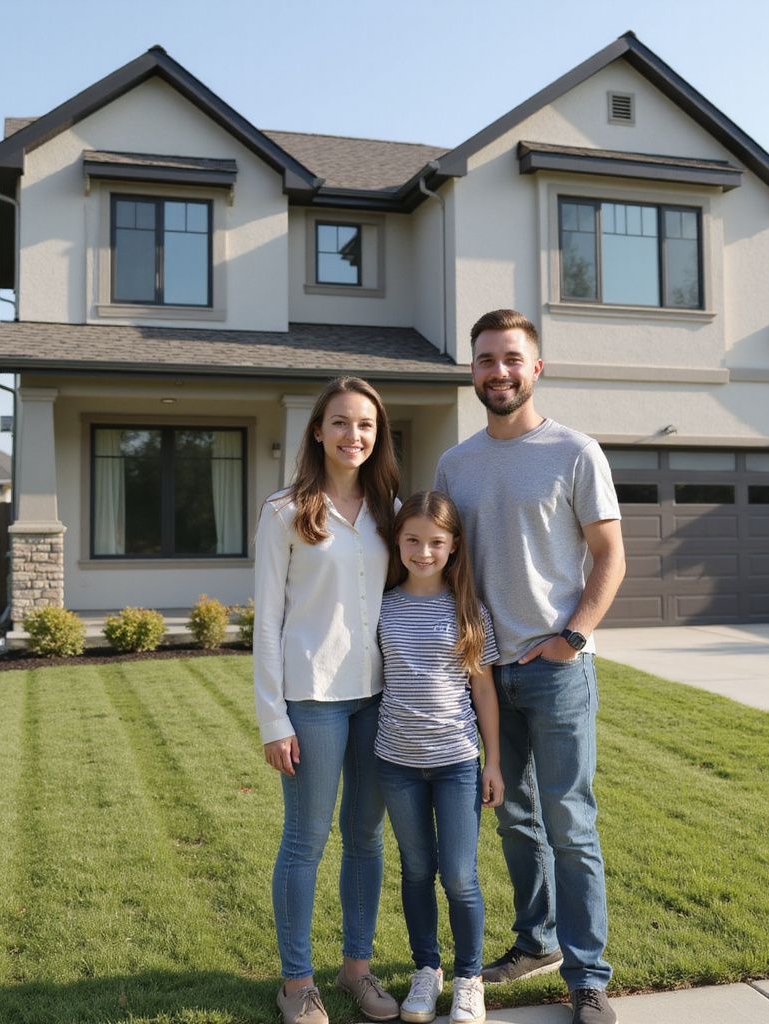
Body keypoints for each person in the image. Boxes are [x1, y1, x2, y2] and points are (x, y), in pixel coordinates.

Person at [434, 309, 626, 1024]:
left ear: (535, 367)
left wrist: (571, 637)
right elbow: (445, 564)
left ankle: (588, 976)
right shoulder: (456, 464)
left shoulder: (575, 452)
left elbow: (609, 556)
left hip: (555, 668)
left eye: (511, 358)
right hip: (485, 673)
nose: (498, 371)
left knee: (570, 821)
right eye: (485, 360)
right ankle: (536, 942)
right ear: (474, 373)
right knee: (515, 818)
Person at [254, 376, 401, 1024]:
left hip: (378, 697)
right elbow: (266, 621)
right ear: (318, 430)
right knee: (306, 841)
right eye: (340, 422)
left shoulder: (390, 511)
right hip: (311, 698)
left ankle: (357, 971)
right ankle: (296, 983)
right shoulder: (285, 511)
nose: (353, 435)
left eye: (366, 424)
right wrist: (272, 718)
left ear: (378, 435)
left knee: (366, 838)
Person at [375, 491, 504, 1024]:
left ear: (452, 546)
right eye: (412, 540)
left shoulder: (469, 610)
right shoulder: (382, 608)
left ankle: (468, 978)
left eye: (435, 542)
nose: (423, 551)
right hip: (396, 763)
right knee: (416, 868)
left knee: (458, 875)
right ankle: (426, 972)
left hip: (456, 764)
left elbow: (484, 693)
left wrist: (492, 762)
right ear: (397, 543)